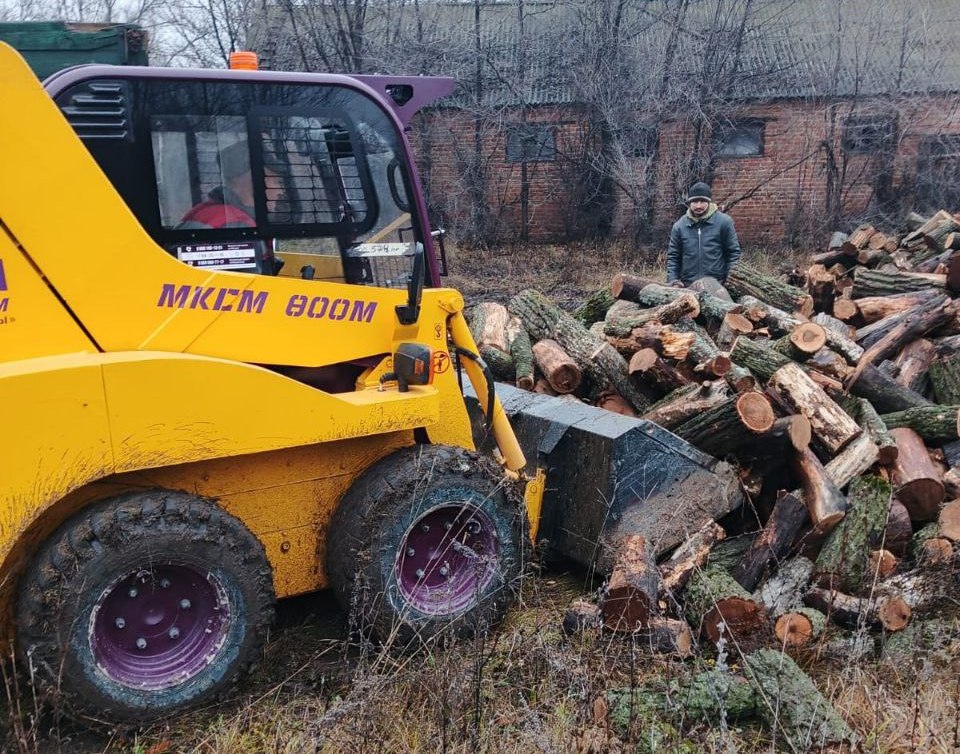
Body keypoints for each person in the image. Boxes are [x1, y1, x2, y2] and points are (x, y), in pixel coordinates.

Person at [666, 182, 741, 287]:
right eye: (695, 201)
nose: (698, 205)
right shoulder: (679, 226)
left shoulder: (724, 222)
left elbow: (733, 254)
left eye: (702, 201)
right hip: (688, 285)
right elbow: (673, 257)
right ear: (689, 203)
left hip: (717, 285)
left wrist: (730, 282)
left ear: (709, 202)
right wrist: (673, 281)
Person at [180, 139, 258, 228]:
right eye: (274, 181)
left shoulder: (205, 211)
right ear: (248, 181)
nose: (277, 189)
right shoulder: (236, 223)